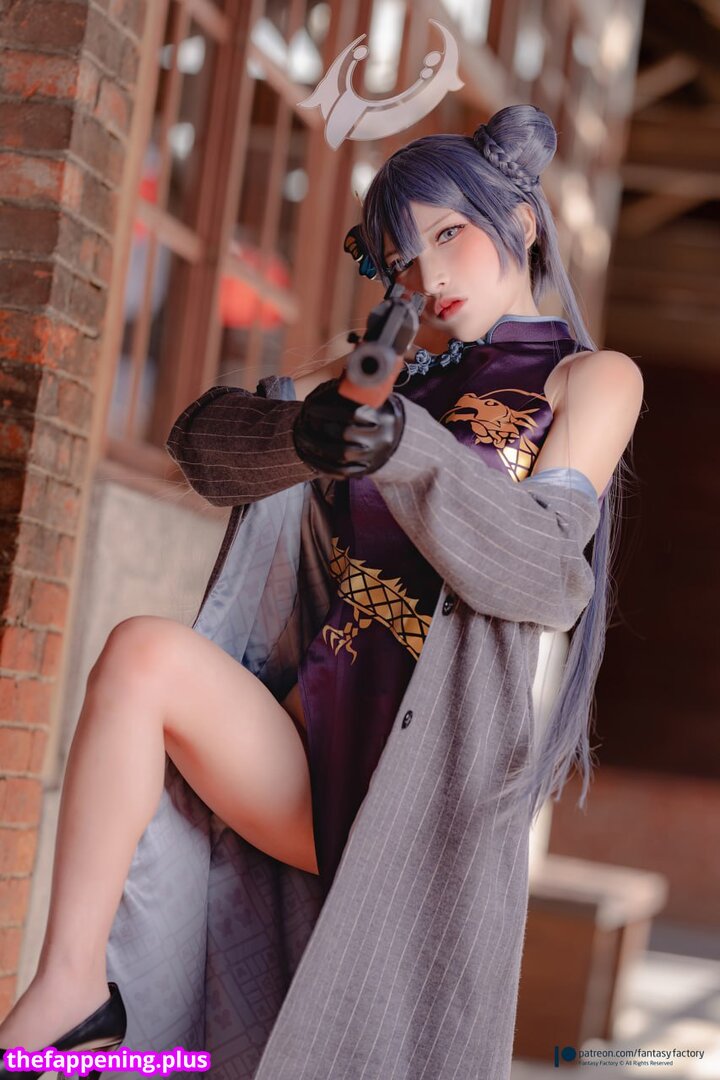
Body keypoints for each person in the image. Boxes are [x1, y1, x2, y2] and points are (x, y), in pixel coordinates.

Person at [0, 104, 643, 1079]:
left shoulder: (588, 378)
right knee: (142, 656)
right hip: (303, 759)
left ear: (520, 222)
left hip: (421, 792)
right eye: (404, 255)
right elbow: (202, 449)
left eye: (451, 234)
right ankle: (71, 993)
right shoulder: (382, 369)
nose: (429, 273)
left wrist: (406, 448)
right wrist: (308, 435)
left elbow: (544, 572)